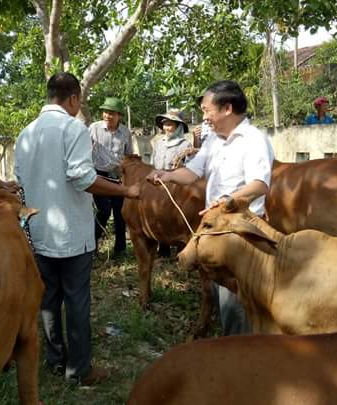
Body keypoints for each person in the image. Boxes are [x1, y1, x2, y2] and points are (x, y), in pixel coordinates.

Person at [15, 72, 140, 386]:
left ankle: (56, 361)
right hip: (71, 235)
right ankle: (79, 370)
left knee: (48, 300)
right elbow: (83, 178)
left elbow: (20, 183)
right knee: (76, 300)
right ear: (73, 98)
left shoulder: (25, 133)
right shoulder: (74, 128)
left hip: (39, 231)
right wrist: (125, 191)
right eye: (79, 101)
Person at [147, 80, 274, 336]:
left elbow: (260, 184)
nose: (205, 117)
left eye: (207, 110)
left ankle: (243, 357)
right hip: (216, 231)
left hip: (240, 233)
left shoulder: (253, 140)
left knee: (236, 302)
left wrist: (228, 203)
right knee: (219, 292)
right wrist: (167, 175)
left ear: (227, 108)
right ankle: (233, 347)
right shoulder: (214, 141)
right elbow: (193, 172)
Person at [89, 97, 133, 257]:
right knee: (103, 211)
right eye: (106, 112)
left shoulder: (125, 132)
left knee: (120, 214)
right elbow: (86, 149)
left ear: (120, 116)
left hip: (118, 176)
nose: (108, 116)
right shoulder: (94, 128)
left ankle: (120, 249)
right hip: (98, 175)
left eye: (112, 113)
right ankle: (92, 246)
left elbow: (128, 155)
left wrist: (127, 176)